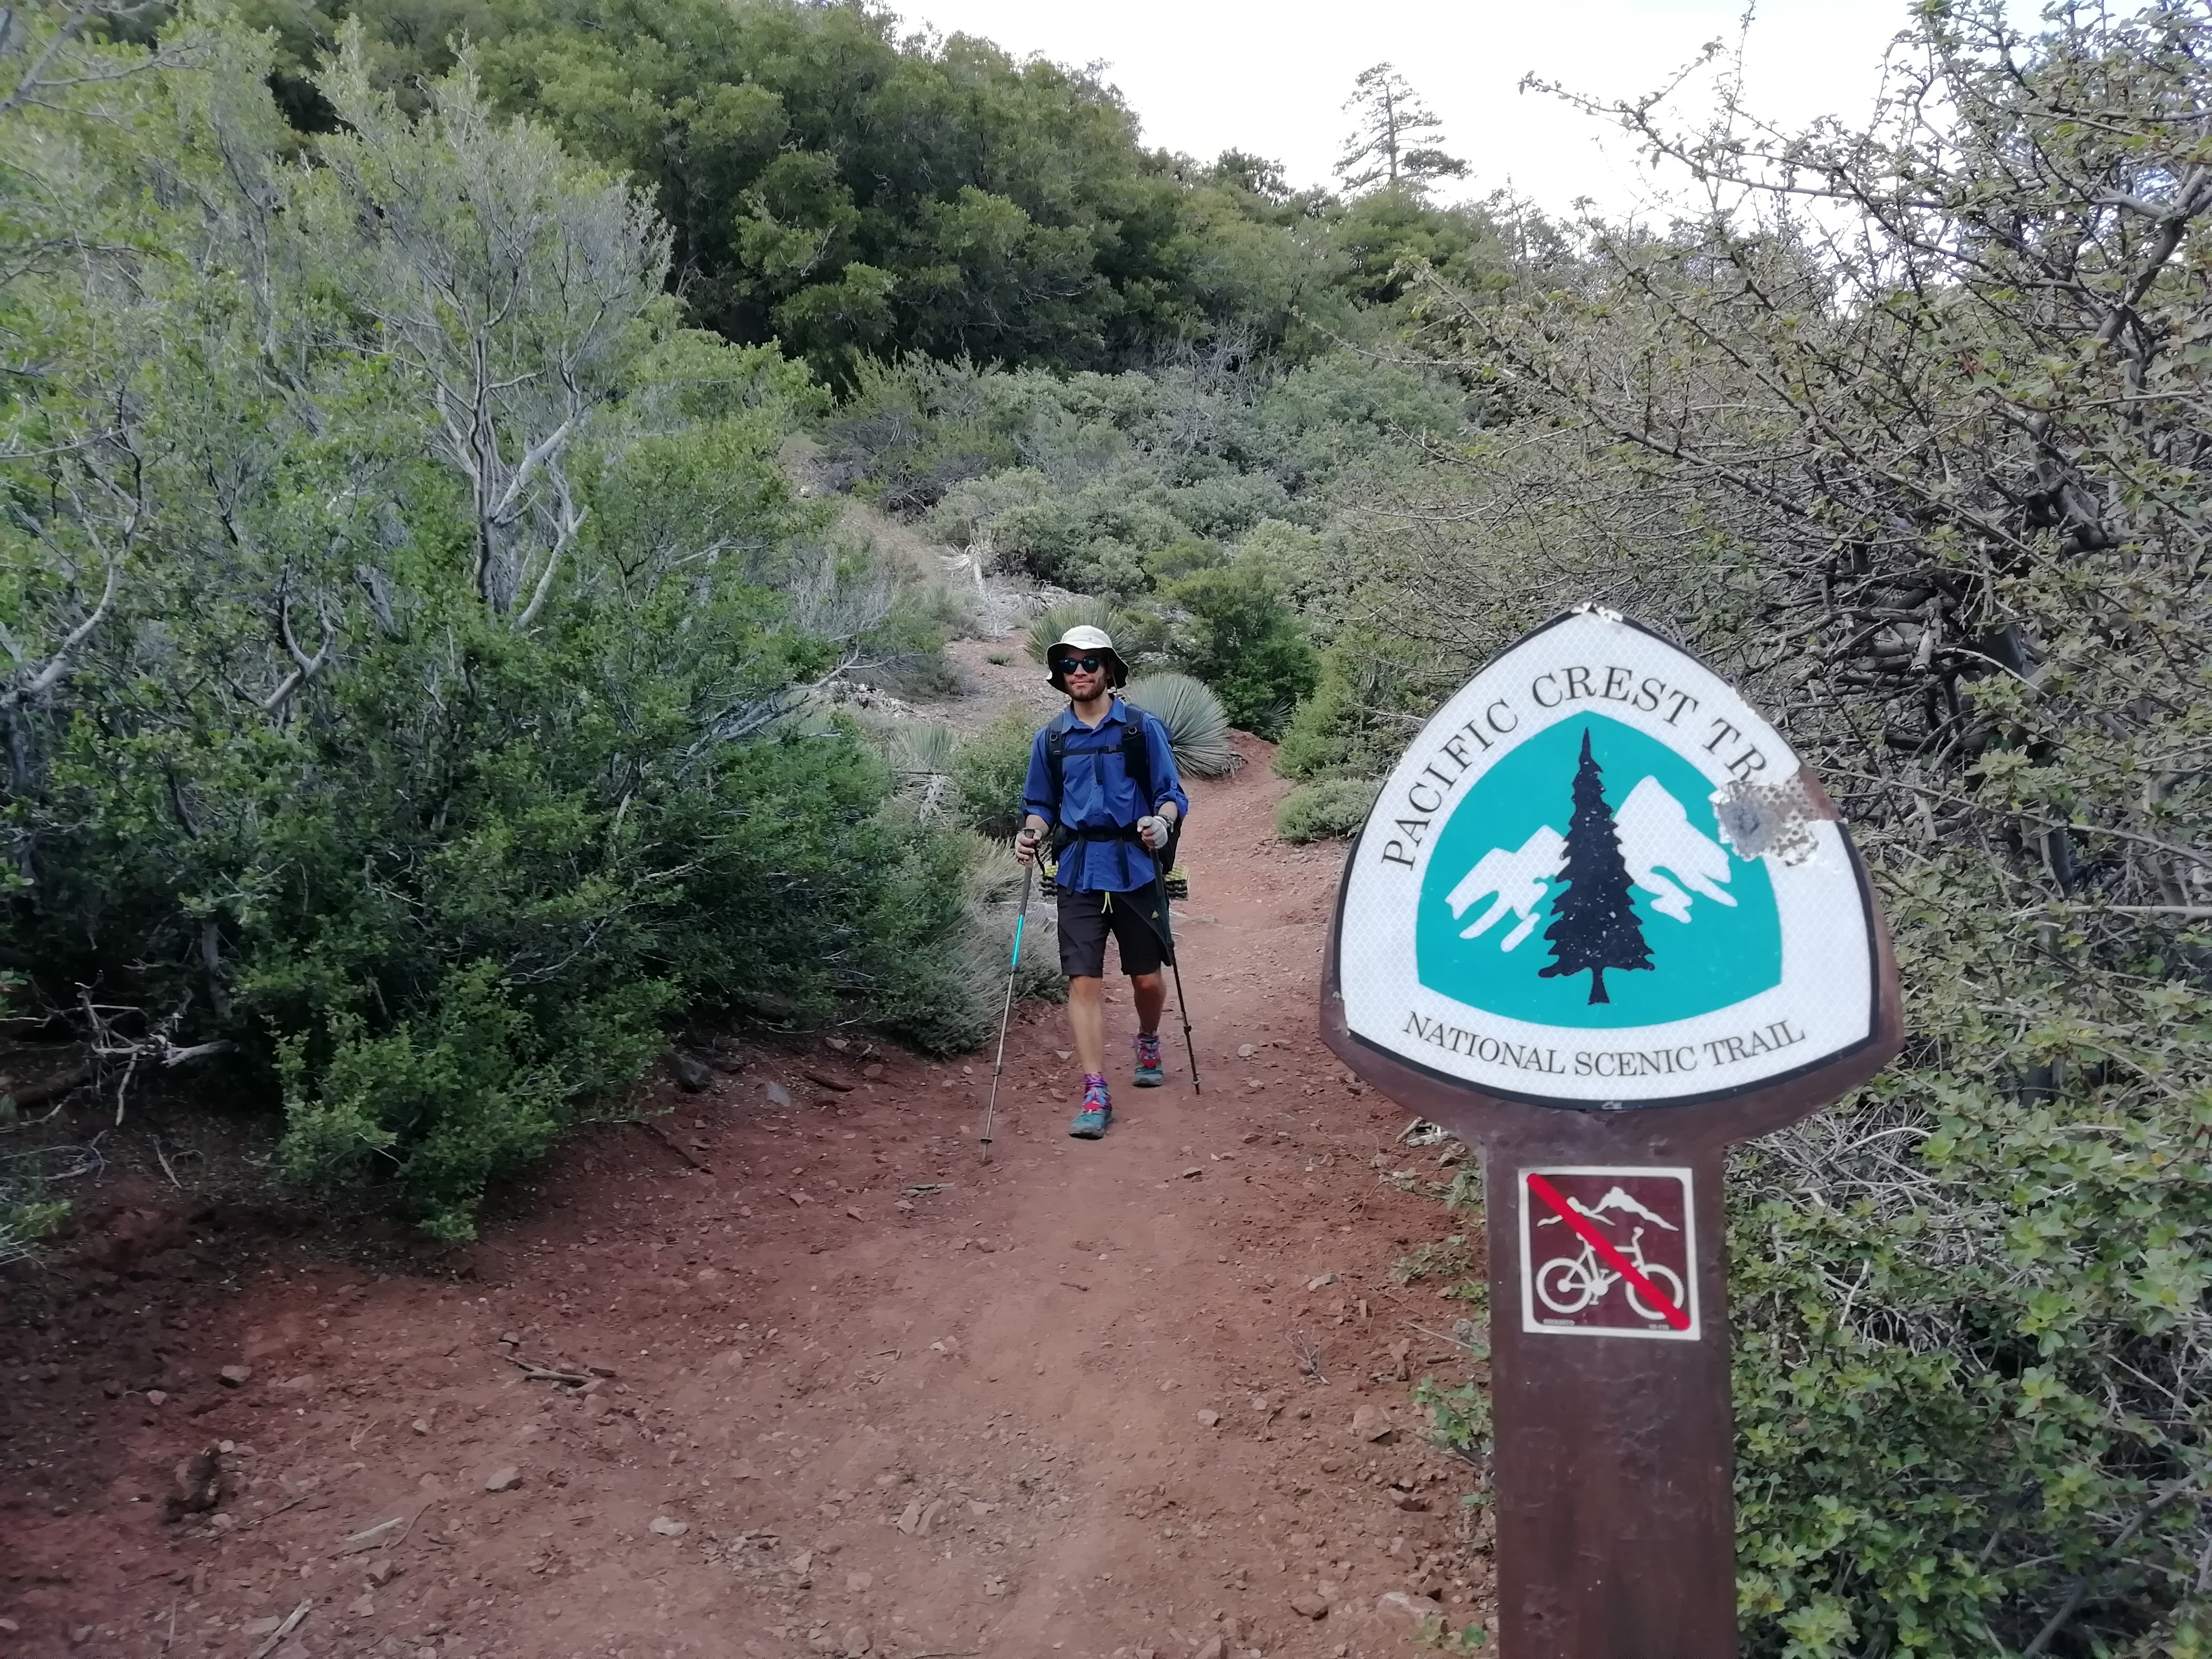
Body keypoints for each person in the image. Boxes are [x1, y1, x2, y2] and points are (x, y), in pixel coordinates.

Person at [1014, 625, 1189, 1139]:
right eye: (1069, 664)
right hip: (1078, 870)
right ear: (1059, 675)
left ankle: (1149, 1037)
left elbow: (1171, 793)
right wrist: (1031, 833)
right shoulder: (1050, 740)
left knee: (1147, 979)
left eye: (1090, 662)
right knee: (1083, 980)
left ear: (1109, 670)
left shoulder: (1140, 729)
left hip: (1135, 867)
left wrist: (1163, 822)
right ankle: (1095, 1090)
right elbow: (1040, 805)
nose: (1080, 671)